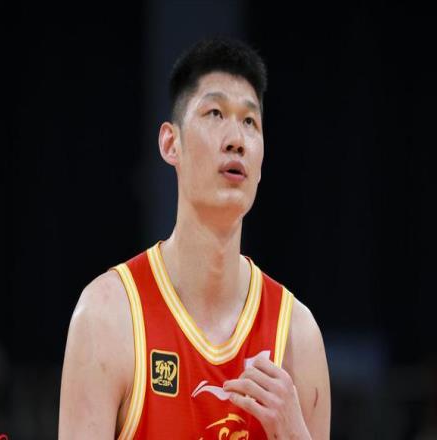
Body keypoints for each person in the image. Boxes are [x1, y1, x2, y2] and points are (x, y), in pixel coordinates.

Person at [59, 36, 331, 439]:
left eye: (250, 122)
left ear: (261, 159)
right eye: (215, 113)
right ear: (171, 143)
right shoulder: (106, 316)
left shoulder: (299, 337)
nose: (236, 138)